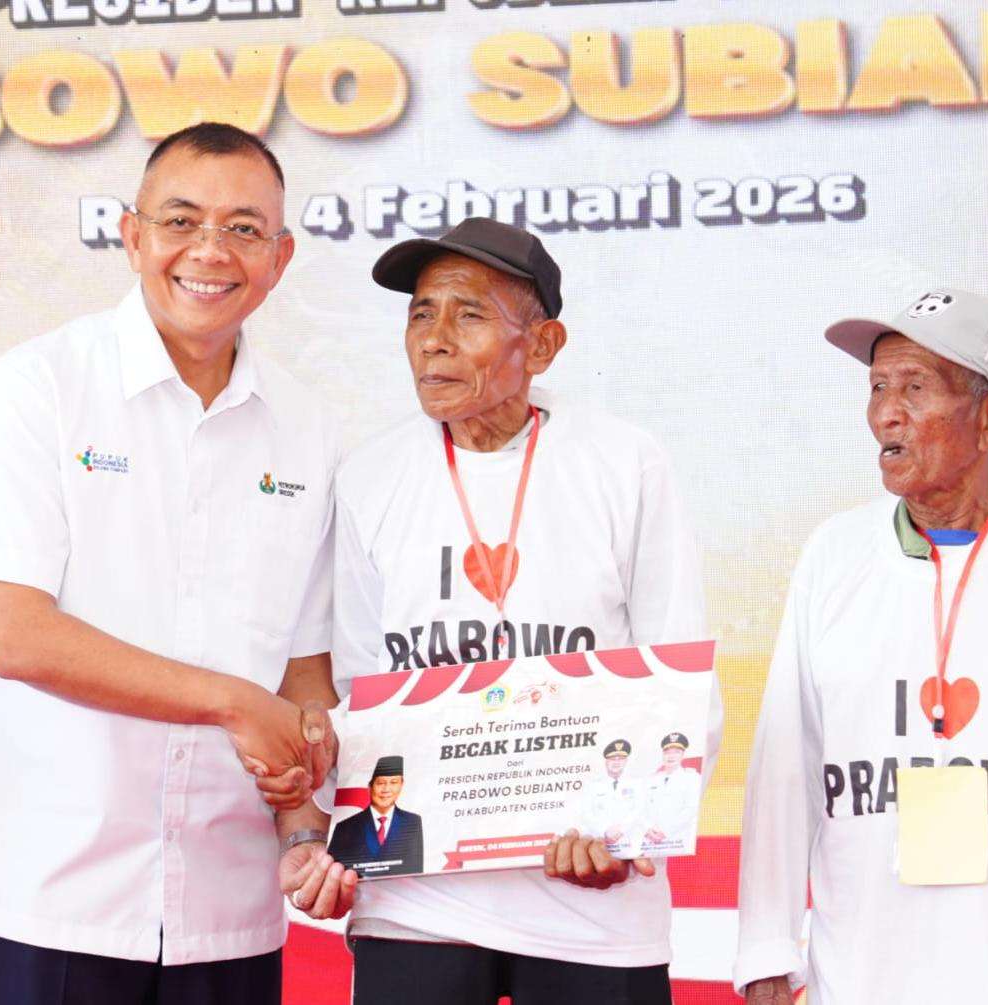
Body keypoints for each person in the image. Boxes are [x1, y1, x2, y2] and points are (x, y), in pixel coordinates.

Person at [0, 122, 339, 1005]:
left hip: (227, 905)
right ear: (131, 236)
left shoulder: (305, 426)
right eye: (180, 221)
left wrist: (304, 823)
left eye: (243, 229)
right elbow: (19, 637)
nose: (209, 252)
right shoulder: (38, 386)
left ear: (279, 257)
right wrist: (232, 701)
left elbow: (303, 666)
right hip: (48, 896)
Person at [276, 217, 722, 1004]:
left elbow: (677, 678)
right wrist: (331, 834)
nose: (433, 340)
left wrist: (626, 830)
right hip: (417, 907)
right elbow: (358, 688)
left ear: (542, 345)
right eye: (420, 313)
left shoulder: (623, 464)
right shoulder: (370, 476)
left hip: (592, 906)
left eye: (468, 314)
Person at [734, 289, 988, 1005]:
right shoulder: (833, 555)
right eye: (877, 387)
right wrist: (766, 953)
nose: (885, 413)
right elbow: (785, 767)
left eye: (915, 388)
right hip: (861, 977)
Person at [327, 755, 424, 876]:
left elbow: (415, 871)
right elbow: (333, 872)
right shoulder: (345, 827)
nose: (386, 789)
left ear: (401, 785)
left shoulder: (412, 822)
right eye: (380, 783)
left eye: (394, 782)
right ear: (370, 787)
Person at [578, 739, 646, 852]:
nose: (616, 762)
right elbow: (586, 813)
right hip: (601, 842)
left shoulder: (637, 783)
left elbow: (640, 809)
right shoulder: (592, 785)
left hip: (631, 843)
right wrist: (605, 830)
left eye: (620, 759)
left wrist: (622, 829)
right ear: (606, 761)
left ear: (626, 761)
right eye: (612, 759)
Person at [641, 733, 700, 850]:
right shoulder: (651, 780)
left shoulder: (692, 778)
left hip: (677, 842)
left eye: (676, 752)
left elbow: (691, 809)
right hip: (650, 842)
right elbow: (641, 808)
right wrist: (647, 829)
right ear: (663, 755)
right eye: (667, 752)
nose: (671, 756)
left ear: (683, 754)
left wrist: (665, 831)